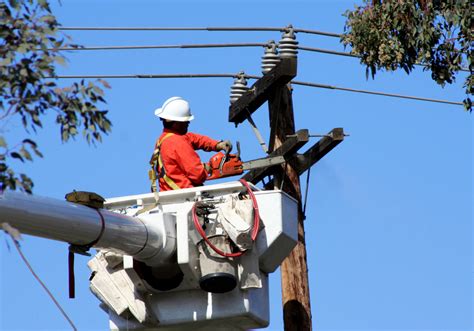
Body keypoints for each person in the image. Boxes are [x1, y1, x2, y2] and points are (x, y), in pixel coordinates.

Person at [149, 96, 232, 192]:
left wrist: (217, 144)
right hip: (184, 197)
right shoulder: (177, 142)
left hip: (170, 194)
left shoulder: (164, 139)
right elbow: (197, 174)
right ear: (176, 123)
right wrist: (208, 167)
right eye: (185, 121)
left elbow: (195, 139)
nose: (188, 123)